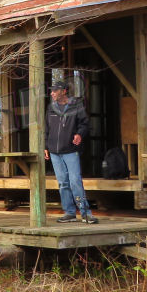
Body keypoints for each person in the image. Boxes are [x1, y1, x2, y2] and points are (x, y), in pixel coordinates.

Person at [43, 80, 98, 224]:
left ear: (64, 91)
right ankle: (70, 213)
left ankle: (86, 213)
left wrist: (79, 134)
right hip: (54, 151)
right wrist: (45, 146)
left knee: (75, 182)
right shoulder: (50, 108)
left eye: (55, 91)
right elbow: (46, 129)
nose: (52, 93)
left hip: (70, 150)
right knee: (63, 183)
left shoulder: (76, 106)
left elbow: (85, 124)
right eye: (52, 91)